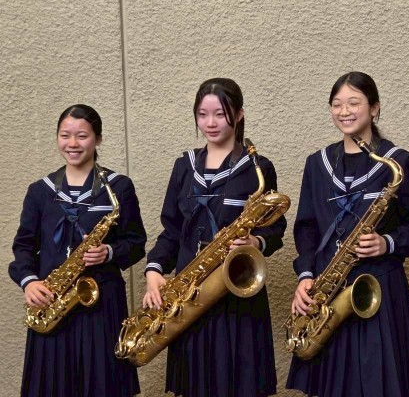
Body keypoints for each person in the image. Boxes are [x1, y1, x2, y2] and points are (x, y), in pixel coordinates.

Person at [286, 71, 409, 397]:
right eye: (337, 104)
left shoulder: (397, 161)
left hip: (379, 288)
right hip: (328, 289)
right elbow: (307, 227)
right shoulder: (317, 163)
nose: (345, 111)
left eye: (354, 103)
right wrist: (306, 276)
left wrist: (386, 243)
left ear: (374, 108)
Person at [144, 78, 286, 397]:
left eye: (220, 114)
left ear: (239, 114)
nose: (210, 123)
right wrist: (154, 269)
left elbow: (275, 228)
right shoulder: (184, 166)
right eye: (202, 114)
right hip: (189, 292)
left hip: (237, 293)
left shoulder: (259, 168)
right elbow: (172, 229)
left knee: (240, 383)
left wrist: (255, 243)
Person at [8, 104, 146, 397]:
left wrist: (109, 252)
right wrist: (29, 282)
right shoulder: (40, 191)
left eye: (82, 136)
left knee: (104, 385)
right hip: (52, 301)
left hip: (102, 301)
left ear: (98, 139)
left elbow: (136, 243)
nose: (72, 143)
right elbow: (23, 246)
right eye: (65, 135)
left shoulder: (119, 187)